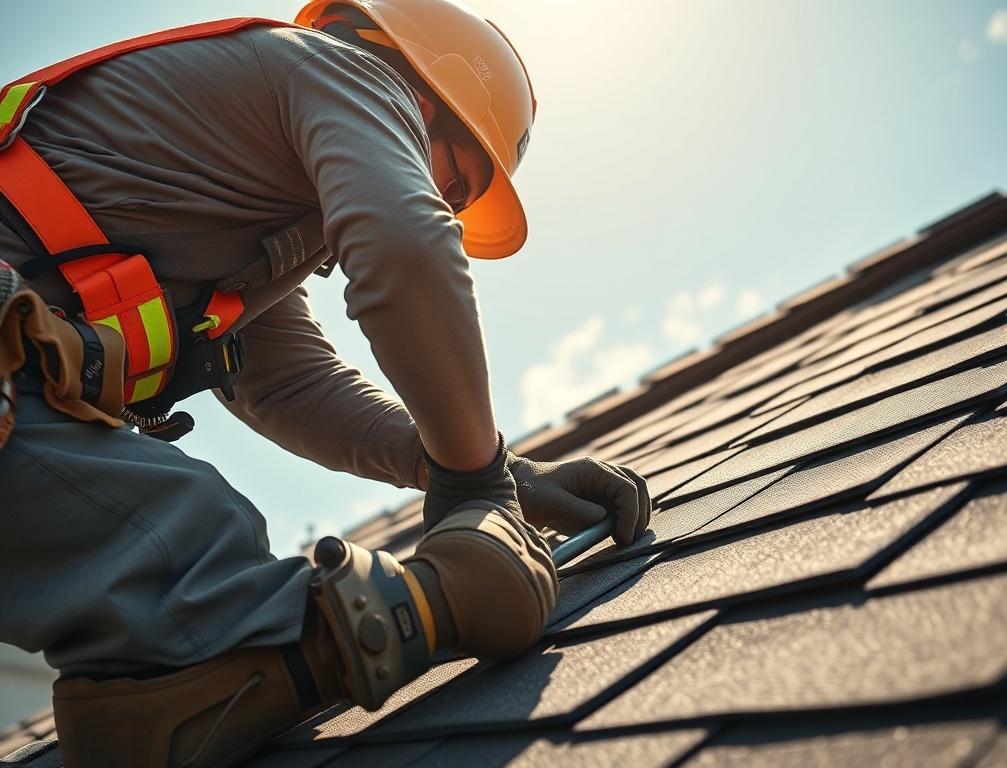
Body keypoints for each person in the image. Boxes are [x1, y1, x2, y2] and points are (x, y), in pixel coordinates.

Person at [0, 1, 651, 765]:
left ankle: (170, 698)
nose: (443, 199)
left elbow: (287, 383)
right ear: (422, 93)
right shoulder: (345, 70)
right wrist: (474, 487)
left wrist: (490, 472)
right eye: (458, 178)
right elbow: (406, 244)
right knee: (184, 542)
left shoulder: (241, 210)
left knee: (179, 559)